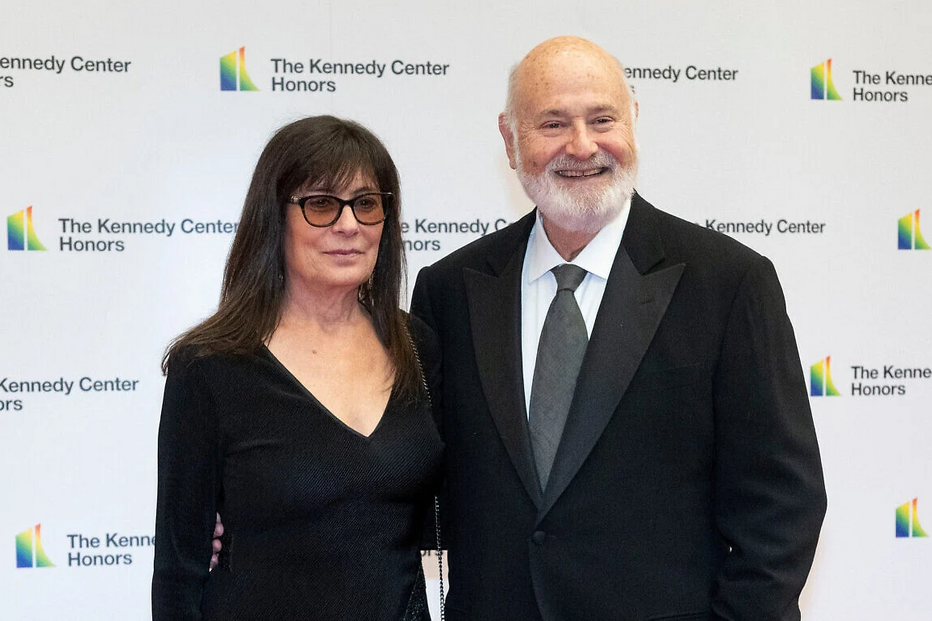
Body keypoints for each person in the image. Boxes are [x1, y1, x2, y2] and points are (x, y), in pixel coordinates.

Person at [409, 36, 827, 620]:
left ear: (633, 121)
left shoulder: (729, 284)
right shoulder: (450, 290)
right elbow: (406, 472)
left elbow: (783, 506)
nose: (582, 146)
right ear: (509, 140)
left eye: (602, 119)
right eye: (553, 123)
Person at [153, 116, 442, 620]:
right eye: (322, 204)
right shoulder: (209, 366)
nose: (349, 225)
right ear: (274, 217)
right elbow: (179, 572)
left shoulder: (418, 346)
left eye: (366, 204)